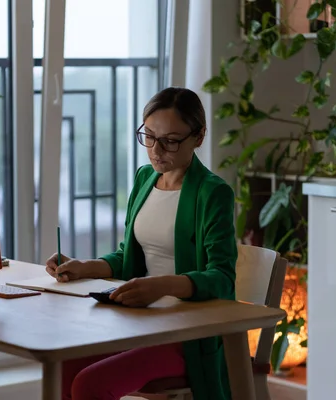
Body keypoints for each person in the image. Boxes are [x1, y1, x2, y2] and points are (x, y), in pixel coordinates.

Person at [45, 87, 238, 400]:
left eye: (170, 140)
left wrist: (162, 285)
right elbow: (129, 258)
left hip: (187, 334)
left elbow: (222, 278)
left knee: (89, 384)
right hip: (140, 322)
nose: (156, 150)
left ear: (199, 137)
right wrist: (85, 267)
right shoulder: (144, 179)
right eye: (149, 136)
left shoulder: (213, 193)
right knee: (63, 368)